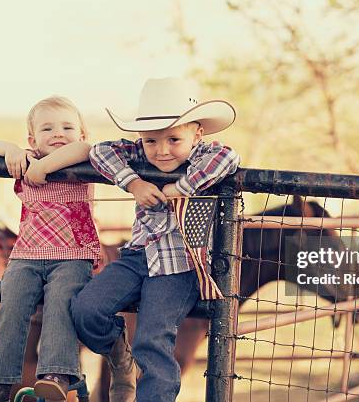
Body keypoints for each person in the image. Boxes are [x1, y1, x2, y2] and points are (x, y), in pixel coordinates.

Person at [70, 77, 240, 402]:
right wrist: (132, 182)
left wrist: (180, 187)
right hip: (137, 256)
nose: (161, 151)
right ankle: (119, 354)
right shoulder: (139, 156)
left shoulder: (203, 156)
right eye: (151, 141)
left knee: (152, 339)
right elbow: (100, 152)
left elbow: (229, 158)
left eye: (174, 139)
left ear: (197, 134)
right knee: (86, 309)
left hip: (180, 263)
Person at [0, 96, 100, 402]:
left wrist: (44, 167)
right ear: (33, 139)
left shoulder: (82, 159)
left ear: (81, 133)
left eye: (68, 127)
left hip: (73, 255)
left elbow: (83, 148)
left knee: (61, 305)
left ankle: (56, 374)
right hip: (26, 255)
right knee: (9, 308)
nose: (58, 133)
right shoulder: (25, 159)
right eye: (48, 128)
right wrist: (12, 151)